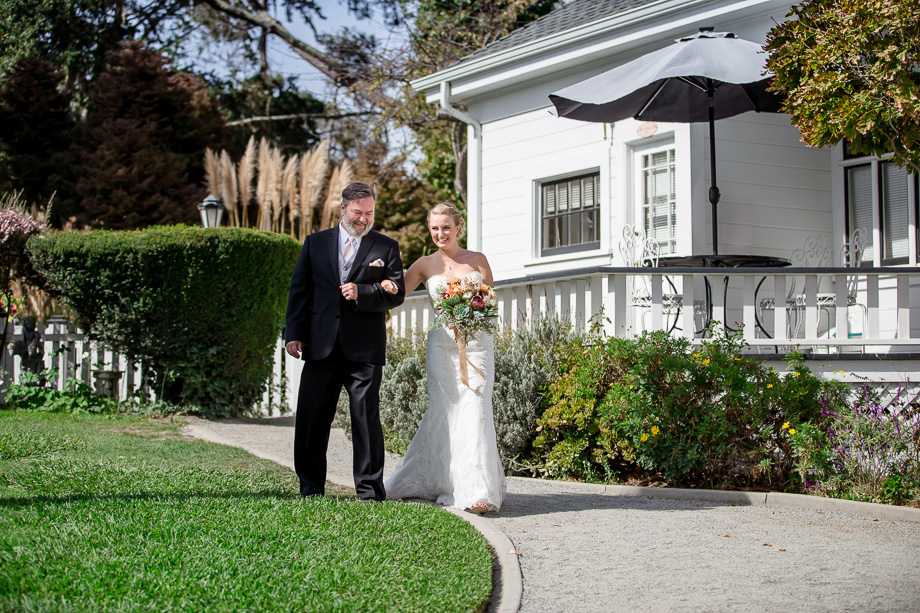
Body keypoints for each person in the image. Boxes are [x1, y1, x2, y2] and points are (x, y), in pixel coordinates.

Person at [380, 203, 506, 514]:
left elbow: (490, 301)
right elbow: (398, 293)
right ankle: (437, 481)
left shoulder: (478, 260)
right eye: (435, 228)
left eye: (446, 227)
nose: (440, 233)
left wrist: (473, 315)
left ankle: (477, 492)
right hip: (442, 350)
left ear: (458, 228)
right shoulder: (424, 264)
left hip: (478, 347)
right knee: (444, 411)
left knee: (476, 409)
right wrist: (383, 284)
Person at [285, 182, 405, 501]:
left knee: (365, 420)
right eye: (357, 212)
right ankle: (310, 488)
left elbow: (397, 293)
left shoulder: (386, 247)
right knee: (312, 419)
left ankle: (369, 492)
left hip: (364, 350)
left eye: (369, 213)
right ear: (342, 209)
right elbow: (300, 291)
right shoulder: (314, 243)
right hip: (320, 346)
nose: (364, 219)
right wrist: (294, 334)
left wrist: (363, 293)